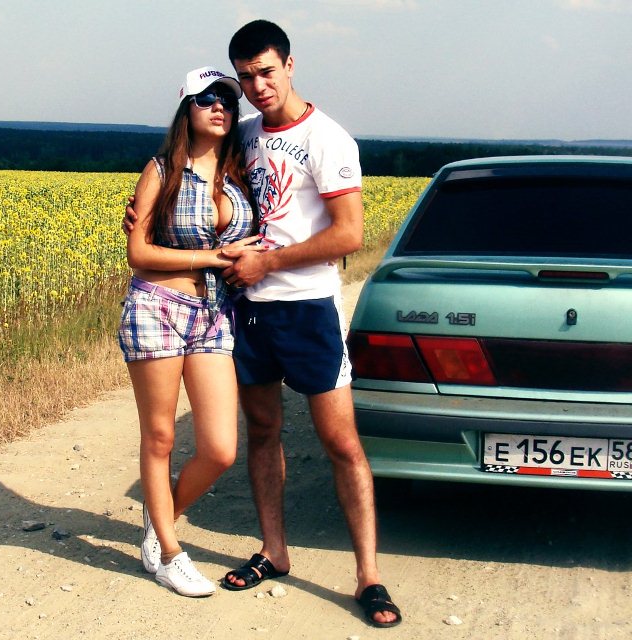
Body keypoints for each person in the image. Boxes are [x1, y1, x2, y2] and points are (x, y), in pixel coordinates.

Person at [217, 21, 403, 628]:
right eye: (245, 77)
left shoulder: (328, 138)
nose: (257, 86)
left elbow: (349, 235)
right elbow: (194, 178)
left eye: (266, 72)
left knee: (341, 443)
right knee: (262, 431)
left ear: (290, 65)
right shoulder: (243, 134)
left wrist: (268, 263)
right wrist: (144, 211)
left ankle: (368, 575)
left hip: (308, 308)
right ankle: (274, 551)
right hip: (249, 310)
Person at [118, 65, 259, 597]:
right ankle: (171, 555)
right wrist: (211, 257)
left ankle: (159, 522)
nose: (219, 106)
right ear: (187, 109)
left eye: (227, 99)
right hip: (158, 305)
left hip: (214, 314)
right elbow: (138, 252)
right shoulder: (161, 170)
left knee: (220, 448)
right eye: (206, 99)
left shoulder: (241, 174)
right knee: (159, 436)